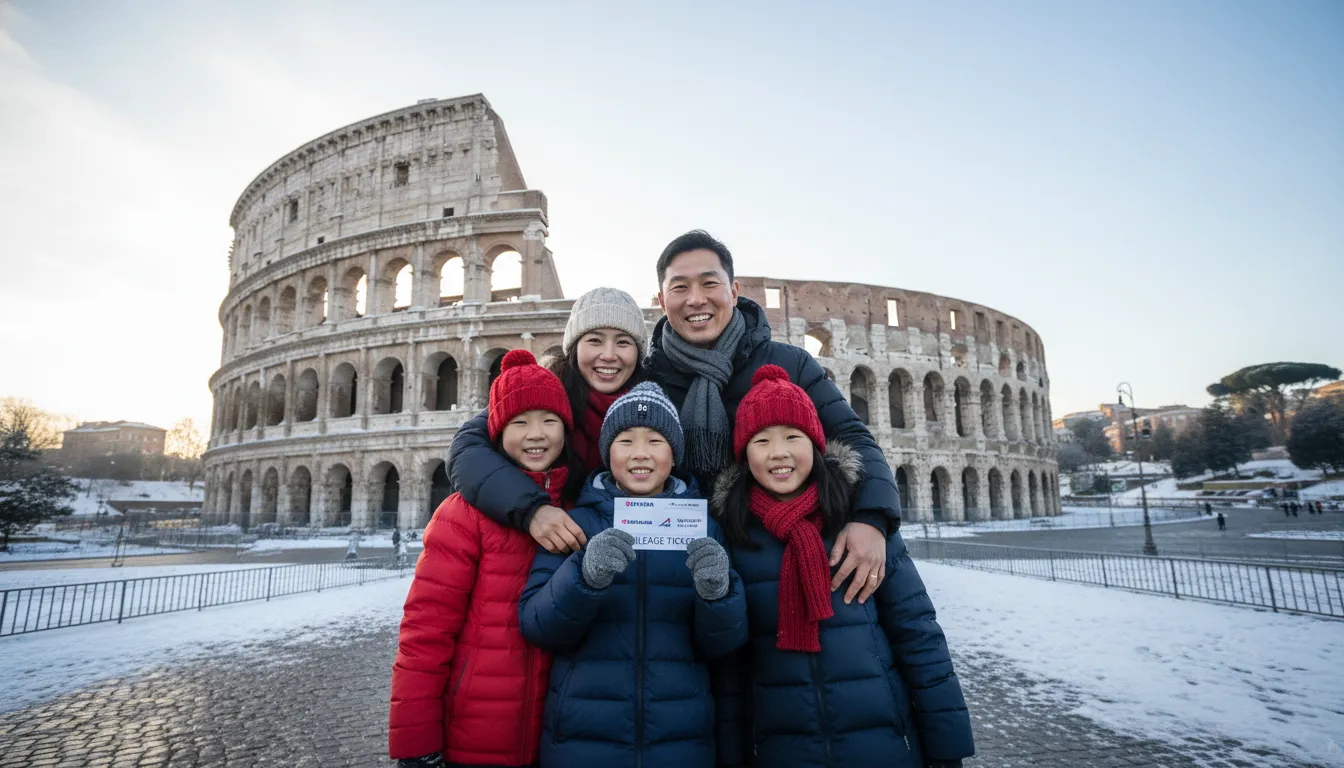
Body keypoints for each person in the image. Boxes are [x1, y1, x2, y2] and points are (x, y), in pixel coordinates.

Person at [710, 366, 973, 767]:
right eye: (761, 441)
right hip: (784, 748)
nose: (778, 452)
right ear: (744, 454)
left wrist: (947, 748)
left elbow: (919, 637)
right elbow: (730, 670)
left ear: (816, 445)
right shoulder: (735, 537)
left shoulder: (861, 528)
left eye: (793, 438)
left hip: (883, 744)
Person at [645, 230, 896, 603]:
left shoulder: (789, 363)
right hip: (687, 570)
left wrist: (872, 517)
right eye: (680, 288)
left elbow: (852, 436)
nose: (696, 299)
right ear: (663, 301)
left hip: (775, 559)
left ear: (733, 291)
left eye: (709, 283)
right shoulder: (650, 379)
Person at [519, 382, 749, 767]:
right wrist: (583, 576)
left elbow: (724, 646)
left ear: (674, 454)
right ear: (607, 452)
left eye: (656, 440)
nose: (640, 453)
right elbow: (537, 626)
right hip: (583, 735)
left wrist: (718, 595)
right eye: (625, 440)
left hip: (680, 737)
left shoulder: (704, 528)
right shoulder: (575, 525)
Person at [389, 350, 575, 768]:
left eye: (550, 420)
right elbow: (424, 634)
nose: (536, 434)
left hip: (556, 732)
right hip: (473, 731)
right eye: (519, 422)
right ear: (496, 430)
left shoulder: (578, 507)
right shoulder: (460, 515)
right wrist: (416, 744)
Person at [448, 287, 649, 555]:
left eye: (623, 342)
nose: (609, 355)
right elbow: (466, 450)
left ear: (638, 353)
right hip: (550, 552)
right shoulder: (545, 390)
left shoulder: (655, 402)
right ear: (574, 347)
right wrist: (531, 509)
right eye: (595, 341)